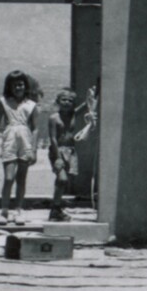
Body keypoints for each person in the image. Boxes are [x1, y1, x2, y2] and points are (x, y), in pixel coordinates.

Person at [0, 70, 40, 225]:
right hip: (9, 138)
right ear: (9, 87)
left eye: (20, 84)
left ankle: (18, 210)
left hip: (25, 140)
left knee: (21, 178)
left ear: (25, 86)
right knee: (8, 177)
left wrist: (33, 148)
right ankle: (4, 210)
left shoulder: (31, 105)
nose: (18, 87)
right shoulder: (4, 102)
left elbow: (36, 128)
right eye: (14, 85)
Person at [47, 85, 94, 220]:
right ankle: (55, 209)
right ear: (58, 101)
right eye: (64, 100)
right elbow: (53, 139)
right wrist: (57, 158)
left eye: (70, 100)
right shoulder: (54, 118)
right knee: (62, 179)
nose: (67, 103)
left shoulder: (73, 114)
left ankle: (55, 210)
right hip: (57, 151)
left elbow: (87, 104)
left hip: (71, 151)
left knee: (62, 181)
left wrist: (94, 94)